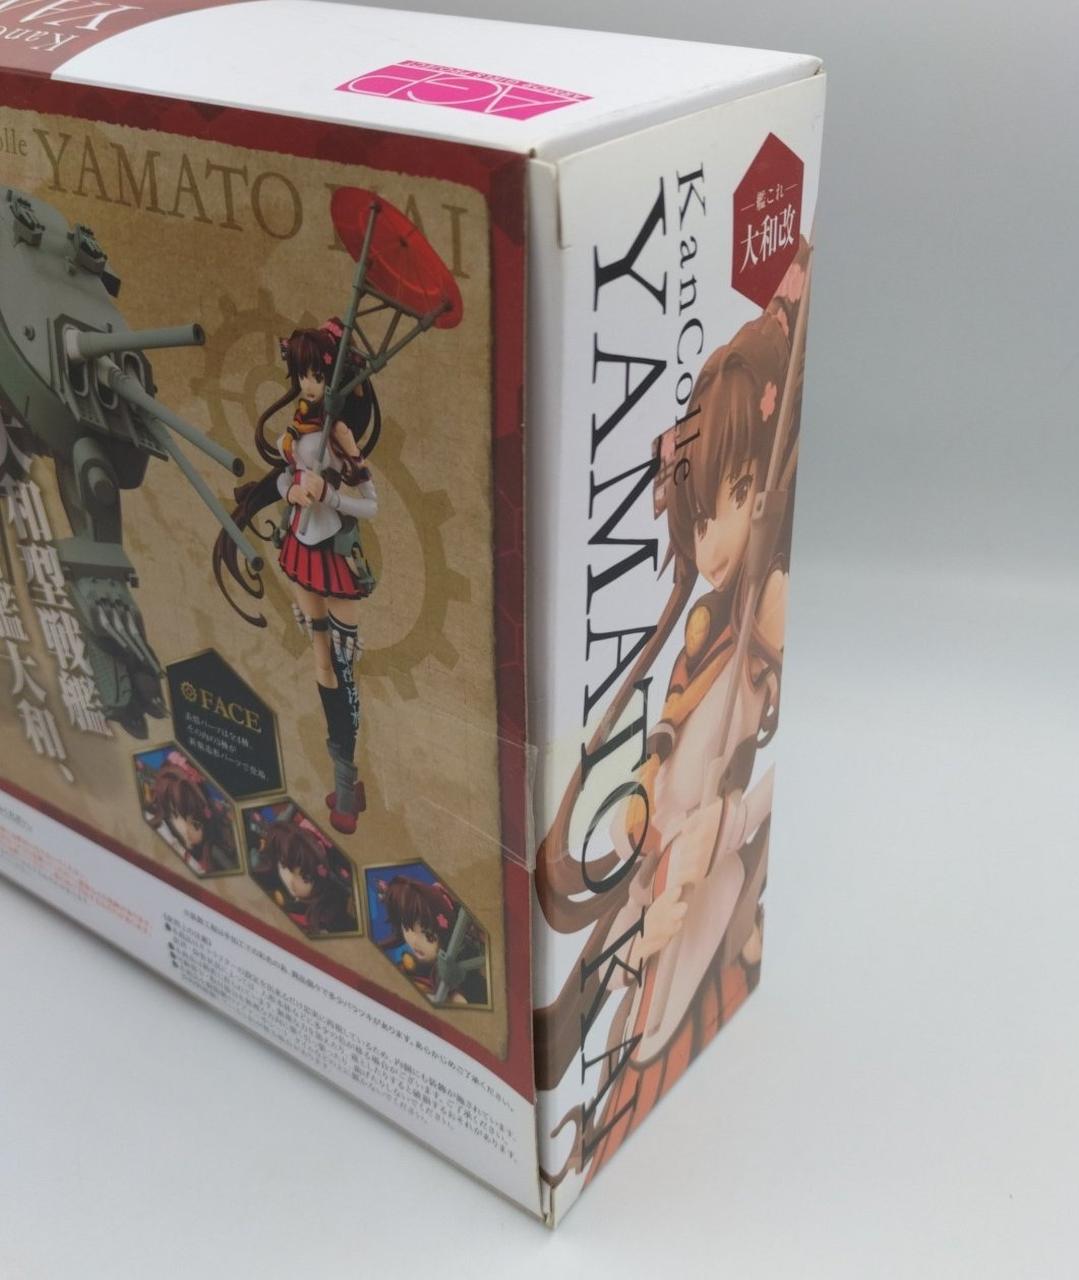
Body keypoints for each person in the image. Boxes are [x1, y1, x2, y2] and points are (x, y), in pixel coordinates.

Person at [536, 242, 810, 1186]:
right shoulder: (703, 623)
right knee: (621, 994)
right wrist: (650, 794)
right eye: (698, 513)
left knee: (653, 1023)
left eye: (734, 497)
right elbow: (677, 721)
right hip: (660, 865)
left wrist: (717, 829)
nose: (710, 534)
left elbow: (758, 775)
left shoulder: (768, 609)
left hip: (710, 885)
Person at [214, 319, 379, 834]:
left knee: (345, 667)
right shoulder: (299, 423)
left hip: (336, 553)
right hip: (300, 547)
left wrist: (329, 494)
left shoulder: (340, 433)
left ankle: (346, 783)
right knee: (320, 657)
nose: (308, 385)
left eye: (317, 377)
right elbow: (287, 473)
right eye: (302, 376)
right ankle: (343, 777)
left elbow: (370, 503)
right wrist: (289, 492)